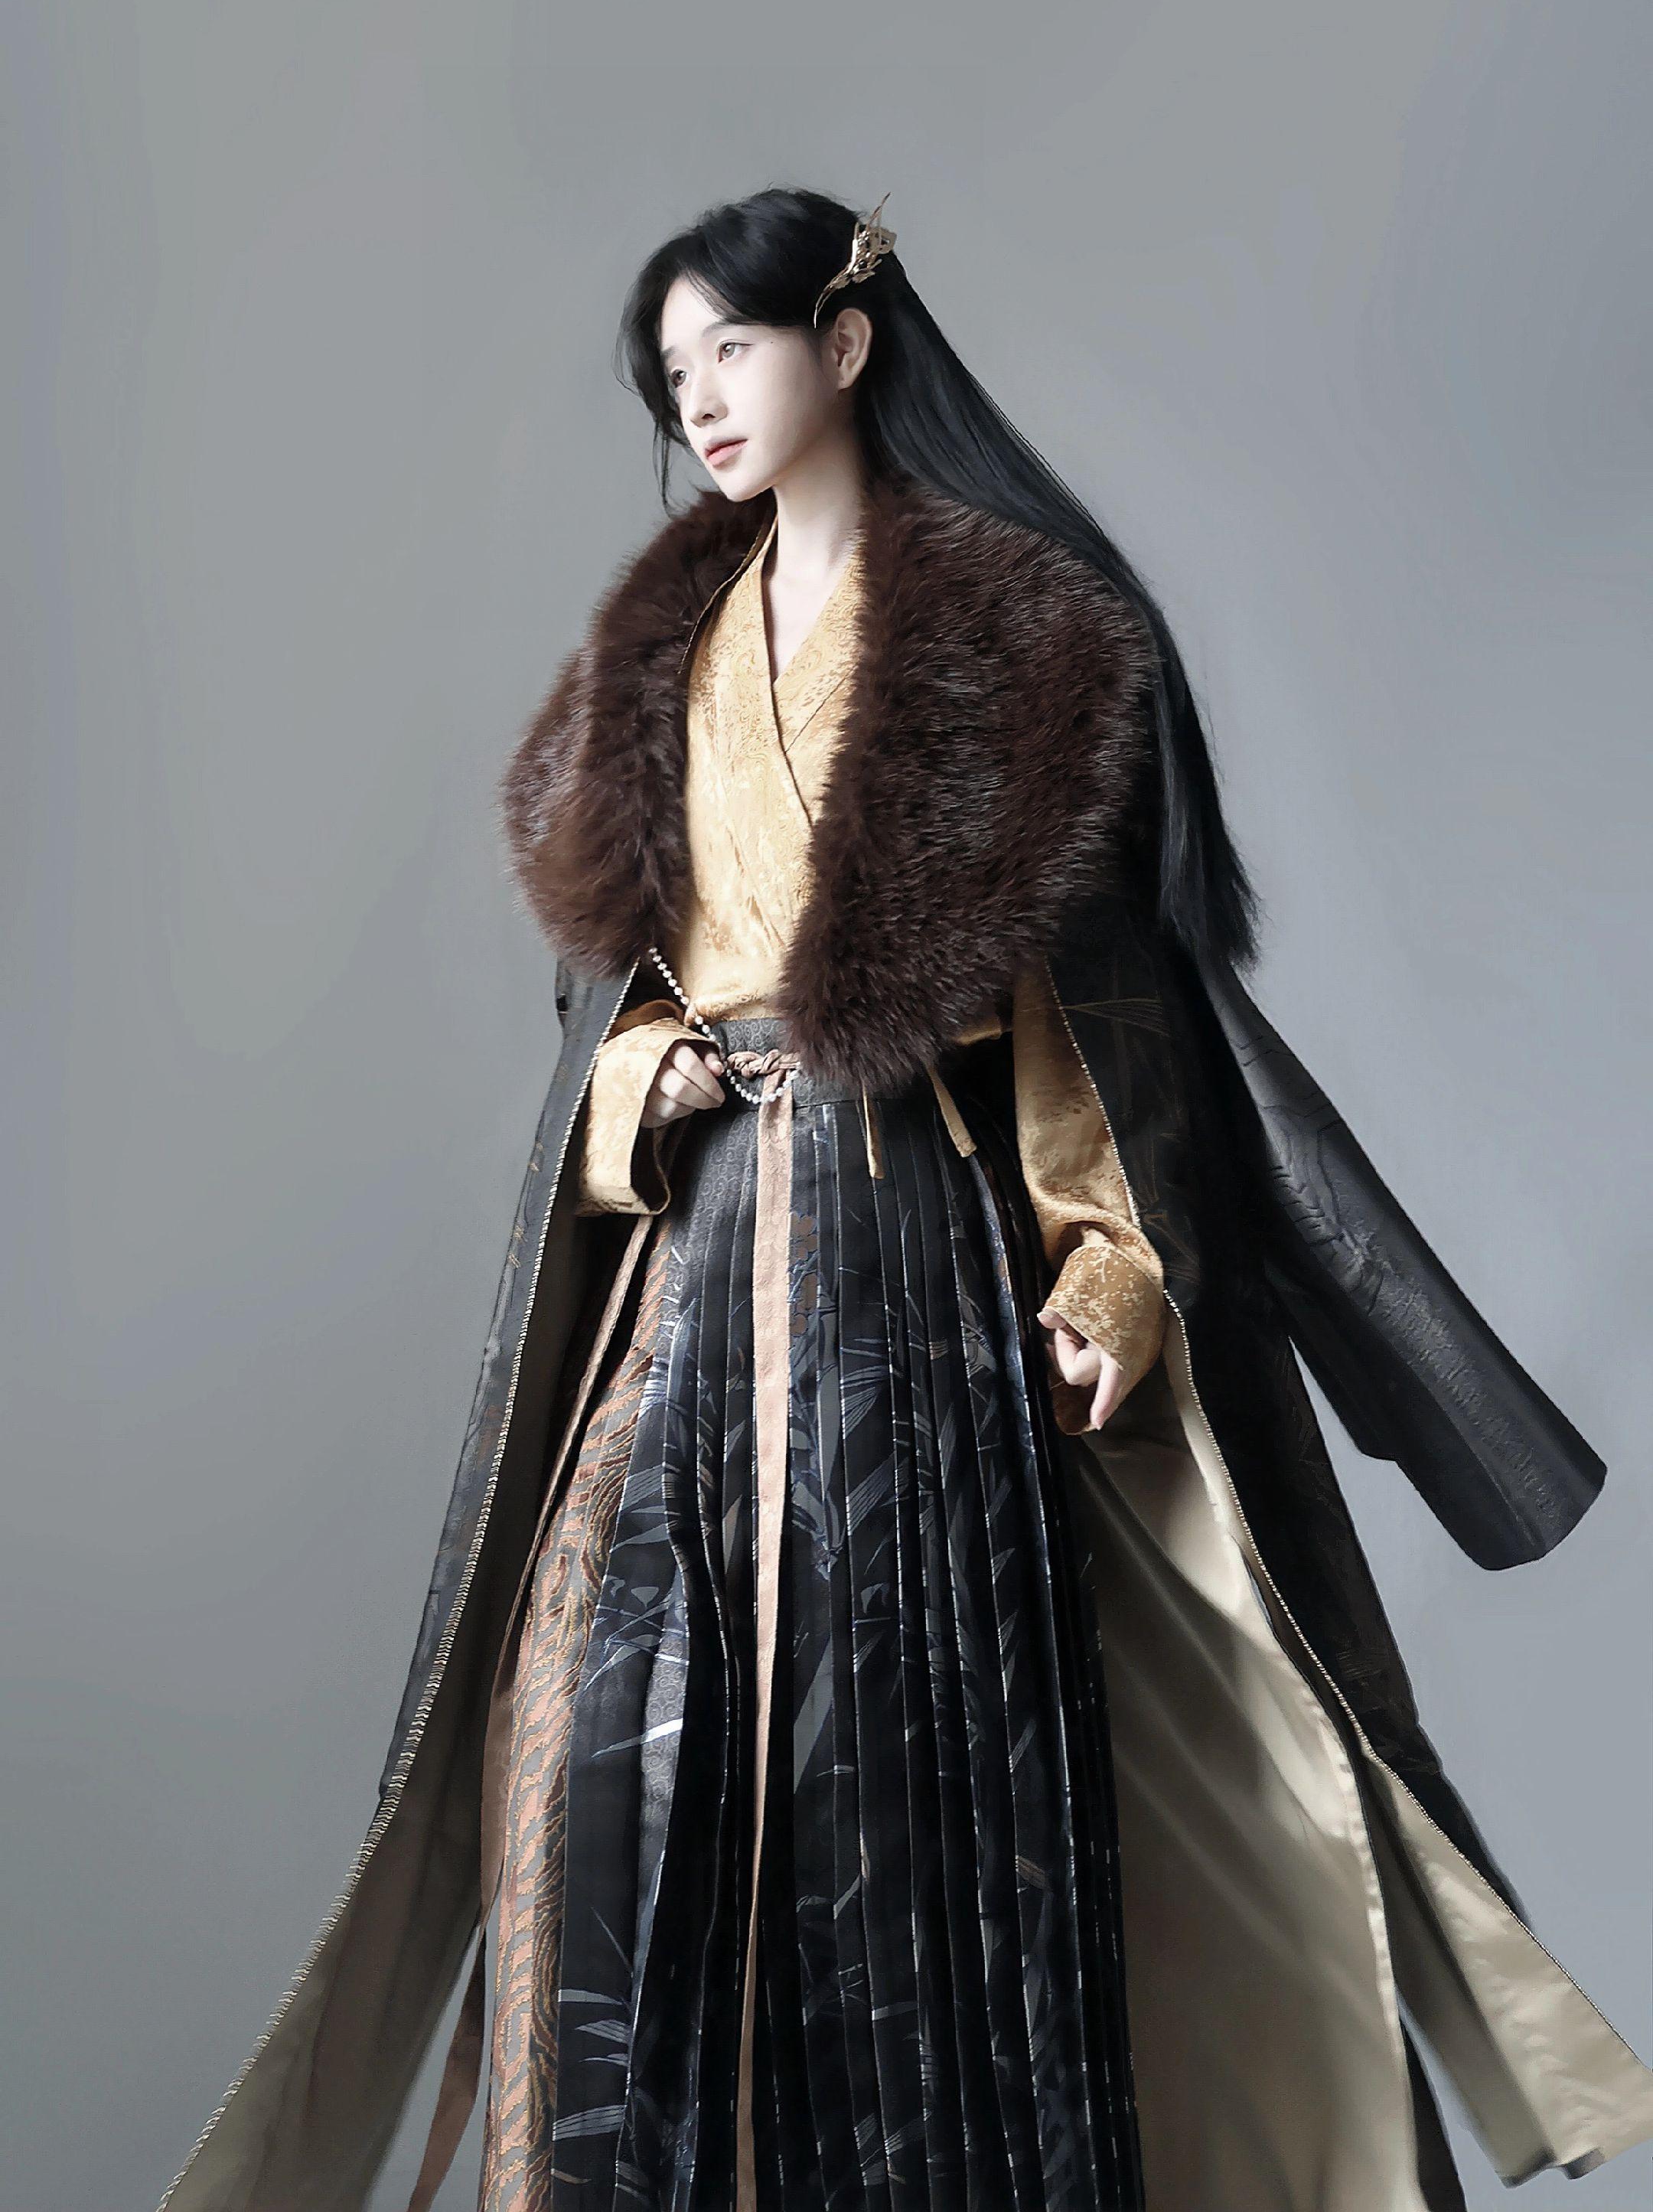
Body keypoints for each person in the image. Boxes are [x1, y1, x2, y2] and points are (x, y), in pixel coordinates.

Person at [160, 190, 1653, 2212]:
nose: (699, 398)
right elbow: (612, 1005)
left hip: (922, 1297)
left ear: (845, 342)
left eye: (731, 349)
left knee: (920, 1837)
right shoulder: (657, 658)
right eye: (671, 371)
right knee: (604, 1778)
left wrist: (1109, 1280)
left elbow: (1089, 1037)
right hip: (691, 1289)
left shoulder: (1012, 650)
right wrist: (636, 1093)